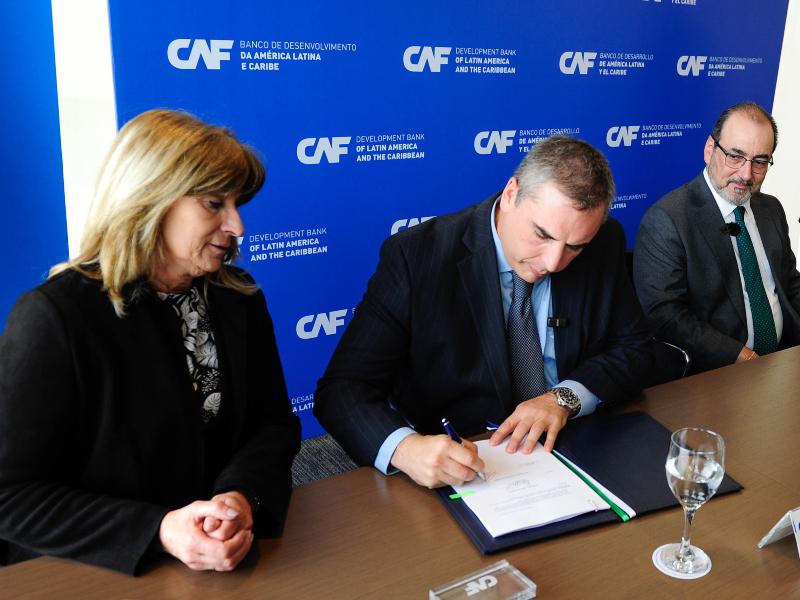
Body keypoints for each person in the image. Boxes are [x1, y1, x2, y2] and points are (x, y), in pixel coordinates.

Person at [0, 109, 300, 574]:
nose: (237, 226)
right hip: (94, 570)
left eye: (237, 204)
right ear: (150, 200)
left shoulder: (238, 298)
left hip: (223, 562)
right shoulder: (55, 317)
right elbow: (11, 496)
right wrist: (159, 529)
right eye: (214, 204)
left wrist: (239, 497)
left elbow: (273, 425)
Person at [314, 136, 657, 489]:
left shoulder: (604, 241)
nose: (553, 262)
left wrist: (563, 398)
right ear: (511, 194)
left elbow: (636, 348)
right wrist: (406, 448)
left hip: (577, 446)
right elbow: (343, 389)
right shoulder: (417, 257)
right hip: (465, 465)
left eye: (574, 247)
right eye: (541, 234)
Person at [634, 101, 800, 374]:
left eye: (759, 162)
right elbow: (666, 316)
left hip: (783, 363)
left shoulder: (770, 208)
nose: (746, 174)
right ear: (710, 149)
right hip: (716, 375)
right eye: (735, 156)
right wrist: (742, 357)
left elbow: (790, 283)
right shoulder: (668, 219)